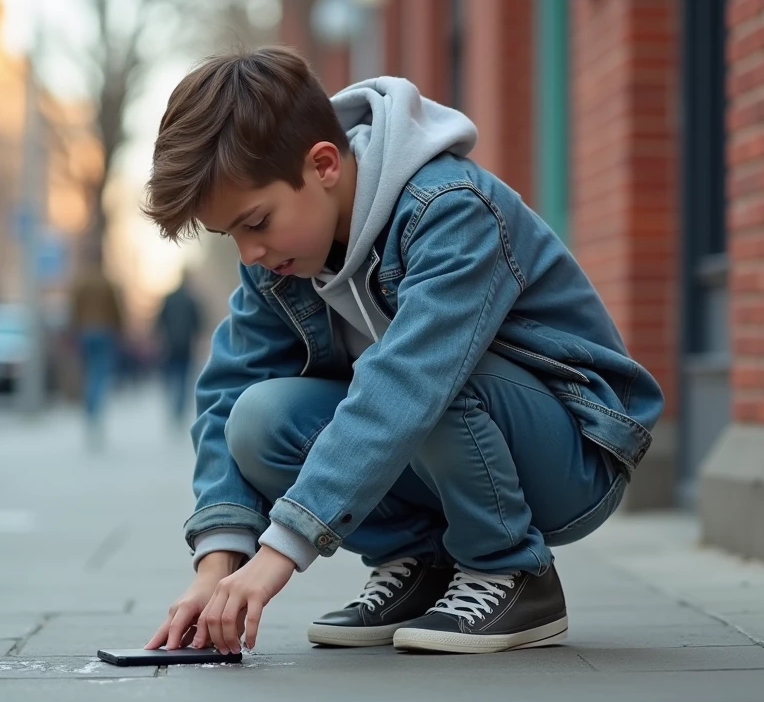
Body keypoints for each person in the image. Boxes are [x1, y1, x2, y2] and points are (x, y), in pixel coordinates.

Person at [140, 46, 664, 657]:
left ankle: (514, 572)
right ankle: (422, 565)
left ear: (324, 165)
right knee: (257, 417)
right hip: (445, 439)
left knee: (422, 377)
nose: (249, 252)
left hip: (570, 456)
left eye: (256, 221)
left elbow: (409, 382)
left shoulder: (450, 209)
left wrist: (280, 551)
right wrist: (218, 563)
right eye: (231, 234)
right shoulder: (279, 263)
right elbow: (228, 396)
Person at [68, 253, 123, 446]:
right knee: (100, 373)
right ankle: (94, 410)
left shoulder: (81, 282)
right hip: (104, 331)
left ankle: (89, 409)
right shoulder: (106, 283)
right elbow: (116, 309)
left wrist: (74, 329)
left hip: (85, 331)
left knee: (90, 372)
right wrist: (119, 330)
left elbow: (73, 308)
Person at [155, 273, 203, 426]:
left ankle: (173, 407)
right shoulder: (191, 300)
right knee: (183, 378)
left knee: (171, 377)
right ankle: (179, 410)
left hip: (170, 344)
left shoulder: (169, 299)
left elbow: (160, 320)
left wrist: (159, 337)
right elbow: (198, 323)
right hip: (185, 344)